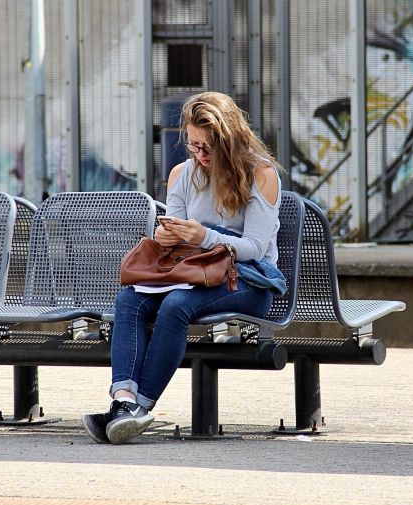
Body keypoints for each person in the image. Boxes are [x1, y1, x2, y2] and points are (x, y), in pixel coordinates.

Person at [82, 91, 283, 444]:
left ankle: (139, 410)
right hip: (192, 275)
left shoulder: (261, 174)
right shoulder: (182, 173)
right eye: (193, 146)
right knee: (130, 299)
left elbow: (255, 249)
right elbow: (173, 233)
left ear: (230, 140)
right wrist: (166, 235)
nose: (200, 155)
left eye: (208, 147)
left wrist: (204, 236)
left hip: (249, 281)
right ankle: (123, 402)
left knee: (176, 306)